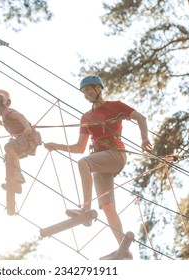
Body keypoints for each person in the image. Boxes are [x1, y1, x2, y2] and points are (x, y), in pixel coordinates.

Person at [44, 75, 152, 260]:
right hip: (99, 160)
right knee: (108, 206)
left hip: (115, 154)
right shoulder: (86, 117)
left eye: (89, 90)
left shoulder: (115, 106)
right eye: (84, 92)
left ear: (99, 88)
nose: (86, 94)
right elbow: (79, 147)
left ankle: (85, 210)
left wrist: (144, 138)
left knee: (84, 163)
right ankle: (123, 251)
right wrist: (56, 145)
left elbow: (140, 118)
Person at [0, 89, 41, 194]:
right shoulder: (4, 116)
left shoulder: (8, 112)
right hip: (26, 140)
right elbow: (9, 123)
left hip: (28, 138)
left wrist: (27, 127)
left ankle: (18, 174)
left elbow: (20, 116)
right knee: (9, 157)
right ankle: (16, 185)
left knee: (8, 147)